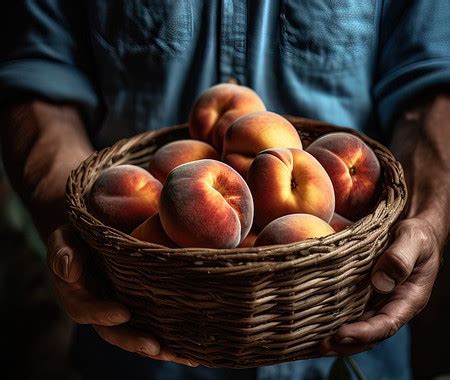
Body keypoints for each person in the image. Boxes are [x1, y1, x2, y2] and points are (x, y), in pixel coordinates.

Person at [1, 1, 449, 379]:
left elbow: (434, 79)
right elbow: (34, 71)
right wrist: (70, 224)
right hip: (137, 316)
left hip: (346, 317)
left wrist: (427, 216)